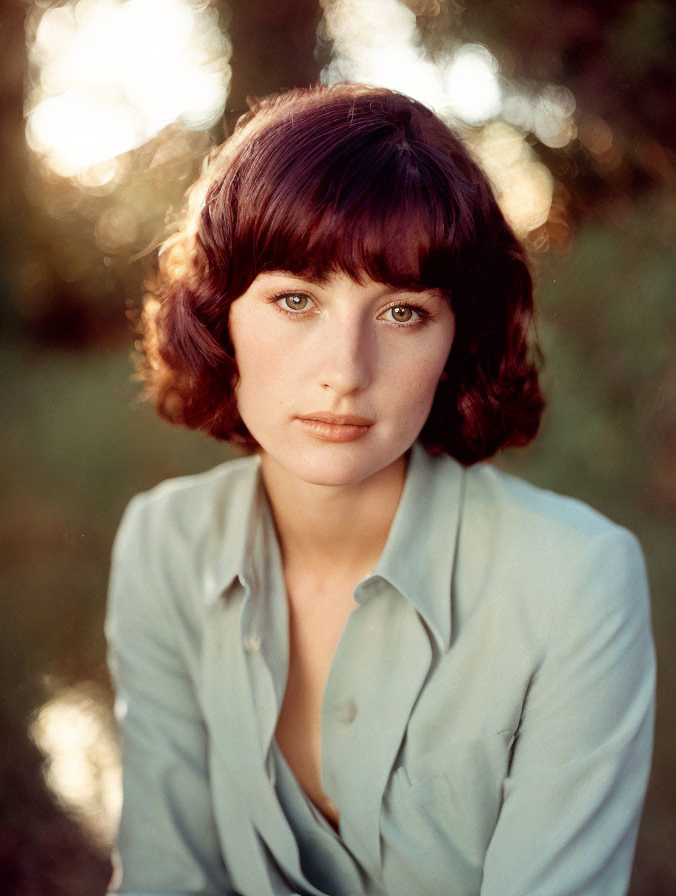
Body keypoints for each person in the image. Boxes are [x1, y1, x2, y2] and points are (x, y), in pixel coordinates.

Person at [105, 83, 656, 896]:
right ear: (221, 315)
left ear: (455, 340)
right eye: (296, 300)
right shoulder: (164, 545)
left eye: (402, 313)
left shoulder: (578, 583)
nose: (345, 373)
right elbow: (166, 876)